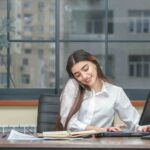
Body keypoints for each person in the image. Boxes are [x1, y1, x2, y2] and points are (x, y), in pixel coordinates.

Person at [58, 49, 150, 132]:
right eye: (78, 75)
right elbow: (69, 122)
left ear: (94, 63)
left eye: (86, 69)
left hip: (101, 144)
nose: (84, 76)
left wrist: (144, 128)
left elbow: (135, 123)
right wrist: (102, 130)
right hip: (75, 144)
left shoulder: (116, 92)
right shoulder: (73, 86)